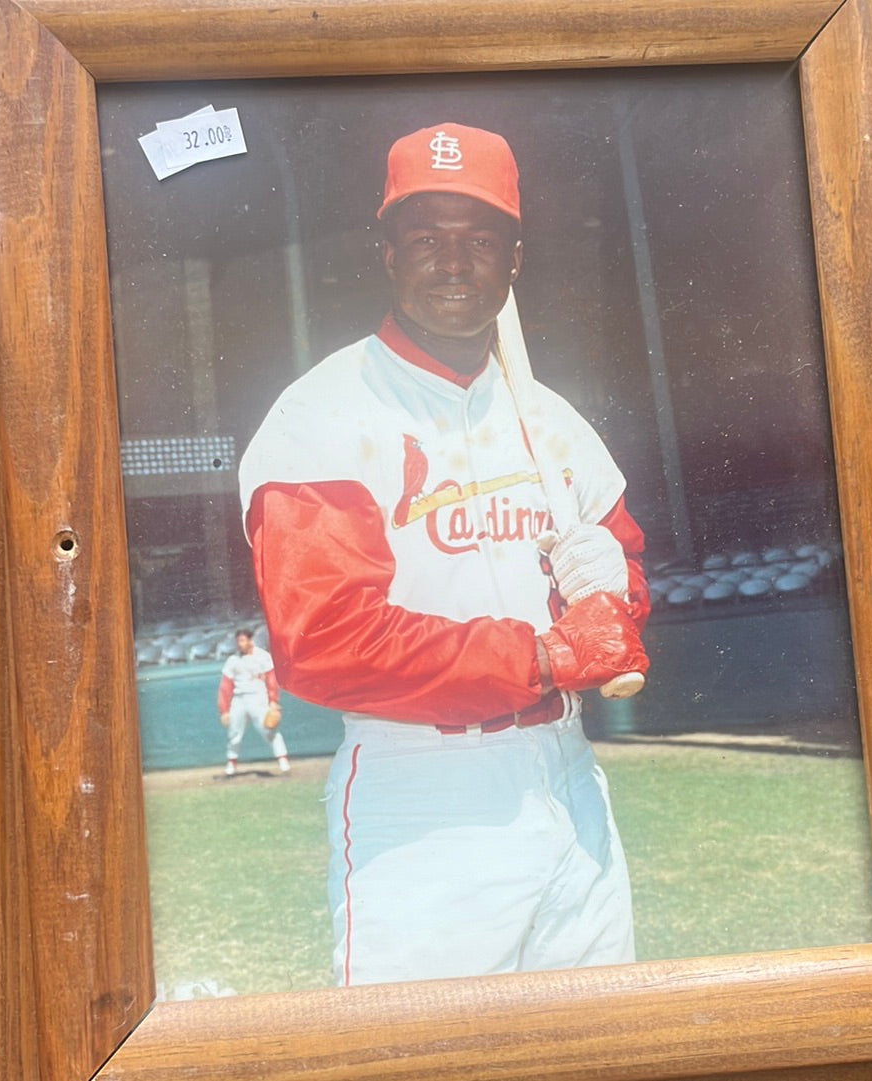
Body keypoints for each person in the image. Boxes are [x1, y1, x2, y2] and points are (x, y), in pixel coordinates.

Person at [237, 121, 650, 985]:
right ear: (384, 250)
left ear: (515, 258)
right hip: (423, 794)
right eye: (426, 237)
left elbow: (621, 580)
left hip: (572, 781)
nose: (454, 262)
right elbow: (327, 641)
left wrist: (615, 593)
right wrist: (541, 654)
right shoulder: (322, 415)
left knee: (600, 1050)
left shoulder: (553, 420)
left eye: (480, 238)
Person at [216, 628, 290, 775]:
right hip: (239, 699)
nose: (240, 644)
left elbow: (271, 680)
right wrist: (224, 710)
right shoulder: (233, 660)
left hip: (258, 697)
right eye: (238, 641)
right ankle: (231, 763)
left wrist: (273, 701)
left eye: (243, 640)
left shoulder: (263, 656)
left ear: (251, 640)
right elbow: (225, 686)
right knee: (234, 732)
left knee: (268, 729)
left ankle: (283, 760)